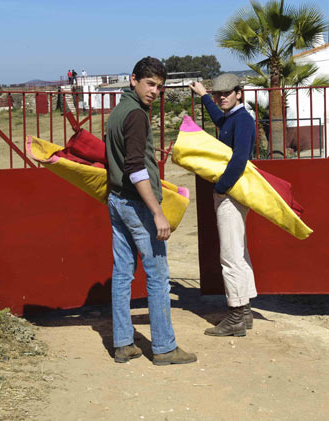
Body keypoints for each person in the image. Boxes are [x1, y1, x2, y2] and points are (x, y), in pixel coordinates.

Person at [105, 56, 197, 365]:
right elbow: (135, 168)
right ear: (133, 80)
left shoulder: (118, 112)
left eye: (159, 87)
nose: (154, 91)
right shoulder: (136, 116)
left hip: (117, 200)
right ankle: (164, 347)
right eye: (149, 84)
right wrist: (157, 212)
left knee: (122, 274)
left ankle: (123, 343)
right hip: (136, 204)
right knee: (158, 276)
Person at [189, 74, 256, 337]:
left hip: (231, 194)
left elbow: (239, 159)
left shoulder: (242, 120)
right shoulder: (234, 118)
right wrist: (204, 95)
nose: (222, 97)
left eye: (226, 93)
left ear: (239, 93)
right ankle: (246, 311)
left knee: (230, 256)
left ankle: (237, 316)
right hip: (235, 193)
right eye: (219, 94)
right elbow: (219, 119)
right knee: (239, 251)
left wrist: (219, 188)